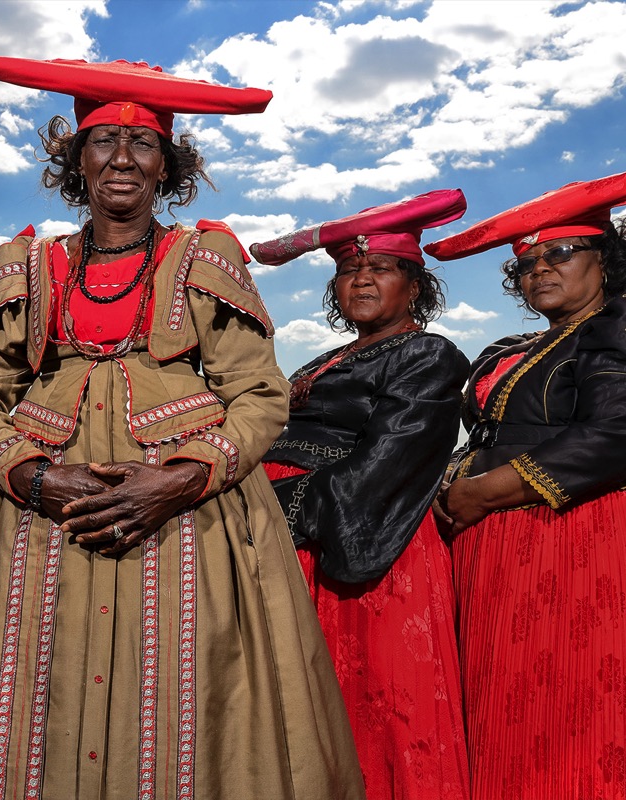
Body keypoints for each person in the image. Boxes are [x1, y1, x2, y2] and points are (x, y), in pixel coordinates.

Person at [0, 57, 364, 800]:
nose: (122, 158)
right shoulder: (26, 265)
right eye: (102, 142)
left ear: (168, 165)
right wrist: (31, 475)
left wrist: (181, 478)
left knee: (191, 693)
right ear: (76, 161)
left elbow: (258, 392)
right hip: (39, 524)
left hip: (191, 522)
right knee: (26, 705)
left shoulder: (205, 257)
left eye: (143, 144)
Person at [425, 166, 626, 799]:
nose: (541, 271)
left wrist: (475, 494)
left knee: (588, 720)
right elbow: (481, 439)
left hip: (599, 544)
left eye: (560, 253)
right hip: (505, 552)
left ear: (605, 260)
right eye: (526, 264)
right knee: (515, 721)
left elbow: (619, 435)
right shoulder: (509, 349)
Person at [251, 190, 472, 800]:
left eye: (381, 269)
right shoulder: (326, 361)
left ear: (415, 286)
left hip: (369, 537)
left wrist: (272, 508)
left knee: (377, 700)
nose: (362, 280)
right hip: (299, 539)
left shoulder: (430, 356)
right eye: (349, 270)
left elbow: (385, 467)